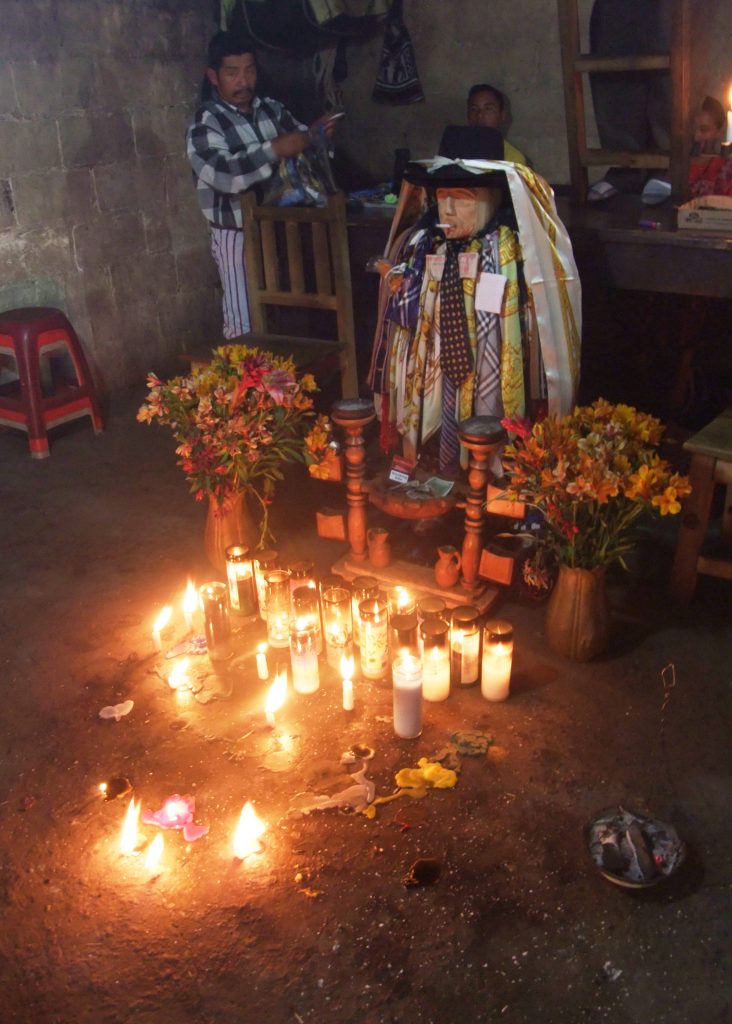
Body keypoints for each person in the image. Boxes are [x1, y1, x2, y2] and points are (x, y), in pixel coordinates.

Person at [367, 126, 580, 474]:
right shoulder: (421, 241)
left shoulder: (513, 252)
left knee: (486, 406)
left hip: (488, 362)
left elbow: (537, 325)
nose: (447, 209)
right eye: (442, 196)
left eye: (462, 196)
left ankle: (487, 471)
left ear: (490, 197)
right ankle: (427, 465)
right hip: (428, 363)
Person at [186, 32, 334, 339]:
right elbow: (223, 175)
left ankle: (285, 383)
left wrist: (316, 136)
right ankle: (247, 384)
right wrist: (274, 149)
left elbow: (305, 146)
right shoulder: (206, 122)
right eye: (232, 73)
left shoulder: (272, 110)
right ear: (213, 76)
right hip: (236, 235)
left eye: (249, 70)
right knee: (244, 322)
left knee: (289, 318)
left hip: (282, 229)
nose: (244, 81)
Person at [466, 84, 527, 165]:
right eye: (474, 109)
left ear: (502, 116)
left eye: (488, 109)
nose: (480, 115)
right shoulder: (454, 150)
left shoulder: (513, 159)